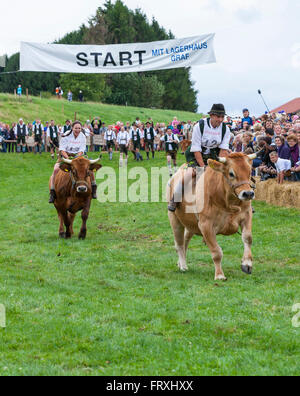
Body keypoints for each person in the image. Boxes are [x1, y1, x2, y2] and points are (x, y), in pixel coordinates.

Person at [168, 104, 231, 212]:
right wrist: (202, 167)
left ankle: (240, 201)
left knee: (229, 173)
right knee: (190, 173)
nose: (220, 120)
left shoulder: (225, 129)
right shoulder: (200, 126)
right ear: (211, 115)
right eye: (218, 116)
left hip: (214, 154)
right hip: (196, 153)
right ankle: (175, 198)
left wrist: (218, 166)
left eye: (222, 117)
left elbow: (223, 150)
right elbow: (196, 149)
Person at [49, 121, 98, 203]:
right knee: (55, 170)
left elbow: (82, 150)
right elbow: (62, 149)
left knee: (89, 168)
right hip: (65, 156)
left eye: (79, 128)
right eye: (76, 128)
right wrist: (68, 159)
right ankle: (52, 191)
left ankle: (93, 188)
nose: (77, 130)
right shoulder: (66, 135)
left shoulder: (82, 136)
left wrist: (76, 158)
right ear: (72, 128)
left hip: (77, 156)